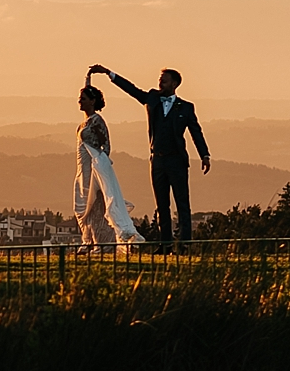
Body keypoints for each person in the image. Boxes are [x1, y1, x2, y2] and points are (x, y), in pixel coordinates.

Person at [87, 63, 210, 246]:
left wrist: (204, 155)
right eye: (160, 80)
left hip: (177, 161)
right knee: (162, 205)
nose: (160, 83)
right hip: (158, 160)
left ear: (174, 84)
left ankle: (185, 244)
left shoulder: (186, 107)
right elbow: (131, 89)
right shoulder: (151, 98)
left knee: (182, 203)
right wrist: (108, 73)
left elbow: (196, 132)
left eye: (164, 81)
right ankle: (166, 244)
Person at [72, 84, 144, 248]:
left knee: (96, 206)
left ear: (92, 101)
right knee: (83, 206)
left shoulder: (97, 121)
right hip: (83, 169)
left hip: (94, 169)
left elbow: (106, 146)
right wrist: (88, 77)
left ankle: (101, 243)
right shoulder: (85, 122)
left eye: (83, 99)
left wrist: (99, 165)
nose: (79, 101)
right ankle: (88, 240)